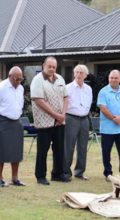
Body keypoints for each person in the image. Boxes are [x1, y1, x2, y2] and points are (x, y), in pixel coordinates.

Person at [31, 56, 69, 185]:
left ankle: (58, 174)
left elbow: (65, 97)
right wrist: (56, 115)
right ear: (43, 66)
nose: (52, 69)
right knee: (43, 150)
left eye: (54, 67)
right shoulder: (37, 80)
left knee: (59, 149)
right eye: (49, 66)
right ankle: (41, 176)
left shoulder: (60, 79)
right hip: (44, 122)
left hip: (59, 121)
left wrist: (62, 115)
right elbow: (39, 101)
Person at [0, 66, 26, 187]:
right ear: (9, 76)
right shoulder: (0, 88)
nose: (19, 82)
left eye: (21, 79)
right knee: (1, 151)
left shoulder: (20, 89)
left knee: (17, 151)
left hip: (16, 121)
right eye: (16, 79)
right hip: (2, 121)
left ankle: (15, 178)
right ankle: (0, 179)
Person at [64, 65, 92, 181]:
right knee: (68, 146)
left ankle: (79, 172)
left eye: (81, 73)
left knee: (82, 146)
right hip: (71, 118)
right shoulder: (68, 88)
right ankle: (66, 172)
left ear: (86, 75)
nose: (79, 75)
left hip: (84, 119)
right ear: (74, 74)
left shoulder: (88, 89)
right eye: (77, 72)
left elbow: (89, 103)